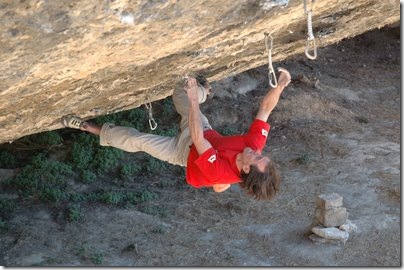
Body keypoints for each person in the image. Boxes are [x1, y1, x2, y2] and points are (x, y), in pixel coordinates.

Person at [62, 68, 291, 200]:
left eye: (259, 158)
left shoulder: (219, 172)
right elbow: (265, 109)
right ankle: (203, 91)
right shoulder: (254, 146)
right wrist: (280, 86)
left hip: (184, 153)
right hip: (205, 134)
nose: (260, 152)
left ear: (247, 168)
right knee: (180, 92)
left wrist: (193, 101)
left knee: (138, 141)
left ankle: (88, 127)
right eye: (263, 155)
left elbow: (197, 138)